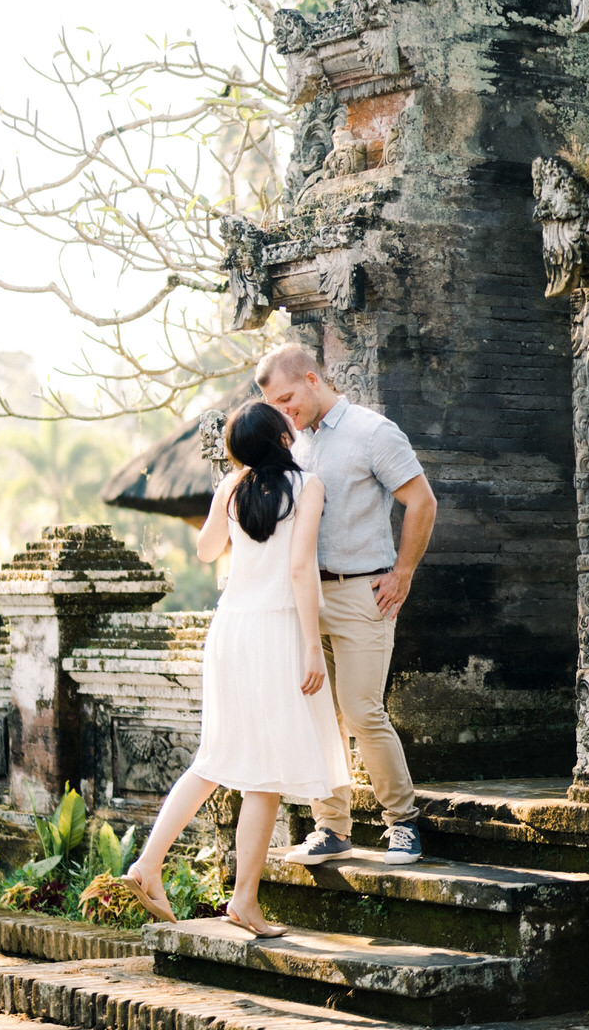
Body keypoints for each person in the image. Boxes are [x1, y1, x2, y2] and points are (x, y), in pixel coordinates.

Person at [121, 399, 349, 935]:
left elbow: (205, 551)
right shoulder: (308, 486)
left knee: (218, 758)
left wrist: (228, 486)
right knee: (262, 772)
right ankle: (243, 899)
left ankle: (149, 863)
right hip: (274, 629)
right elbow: (299, 569)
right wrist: (312, 646)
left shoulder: (233, 487)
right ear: (283, 437)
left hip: (231, 629)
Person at [256, 343, 437, 866]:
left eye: (289, 398)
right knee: (317, 717)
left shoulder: (372, 432)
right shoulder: (294, 445)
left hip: (363, 592)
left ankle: (402, 822)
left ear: (313, 379)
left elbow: (422, 501)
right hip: (306, 598)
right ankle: (331, 827)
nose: (284, 412)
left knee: (361, 711)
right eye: (276, 406)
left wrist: (403, 571)